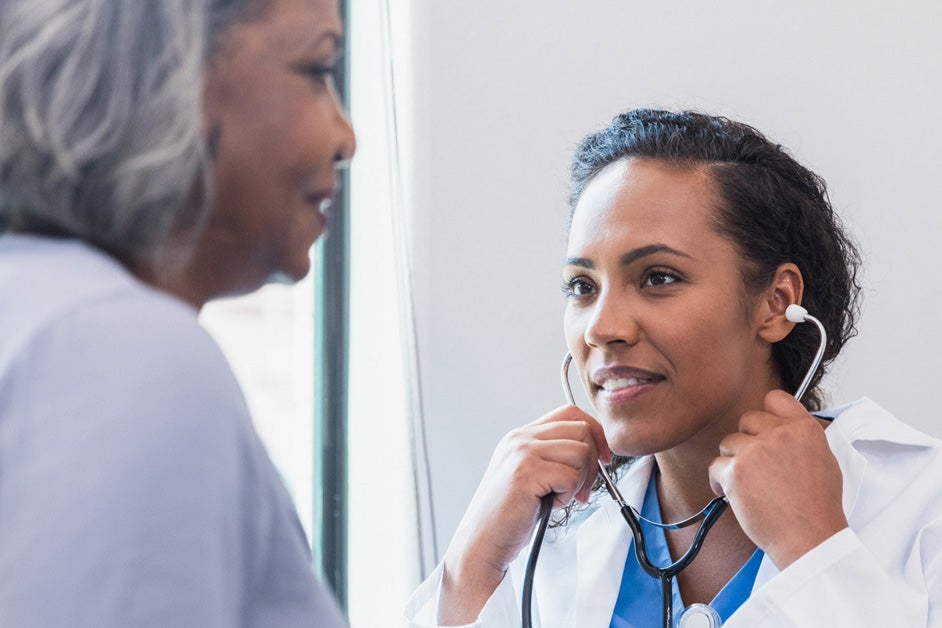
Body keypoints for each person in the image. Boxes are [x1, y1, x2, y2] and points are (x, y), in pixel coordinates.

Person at [405, 109, 942, 626]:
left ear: (776, 302)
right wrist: (469, 567)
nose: (601, 327)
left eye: (659, 277)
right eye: (582, 287)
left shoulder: (921, 506)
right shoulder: (542, 540)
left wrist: (816, 549)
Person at [0, 0, 355, 625]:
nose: (345, 138)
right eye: (316, 68)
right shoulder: (119, 353)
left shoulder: (42, 312)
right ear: (166, 72)